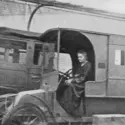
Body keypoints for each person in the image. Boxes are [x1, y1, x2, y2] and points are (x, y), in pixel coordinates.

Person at [56, 50, 91, 117]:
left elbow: (83, 78)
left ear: (85, 57)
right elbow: (77, 75)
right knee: (64, 85)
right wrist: (70, 79)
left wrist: (72, 80)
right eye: (78, 57)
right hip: (77, 82)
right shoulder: (80, 65)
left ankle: (72, 109)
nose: (79, 59)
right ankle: (63, 105)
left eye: (81, 57)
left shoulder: (88, 65)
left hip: (82, 84)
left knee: (70, 87)